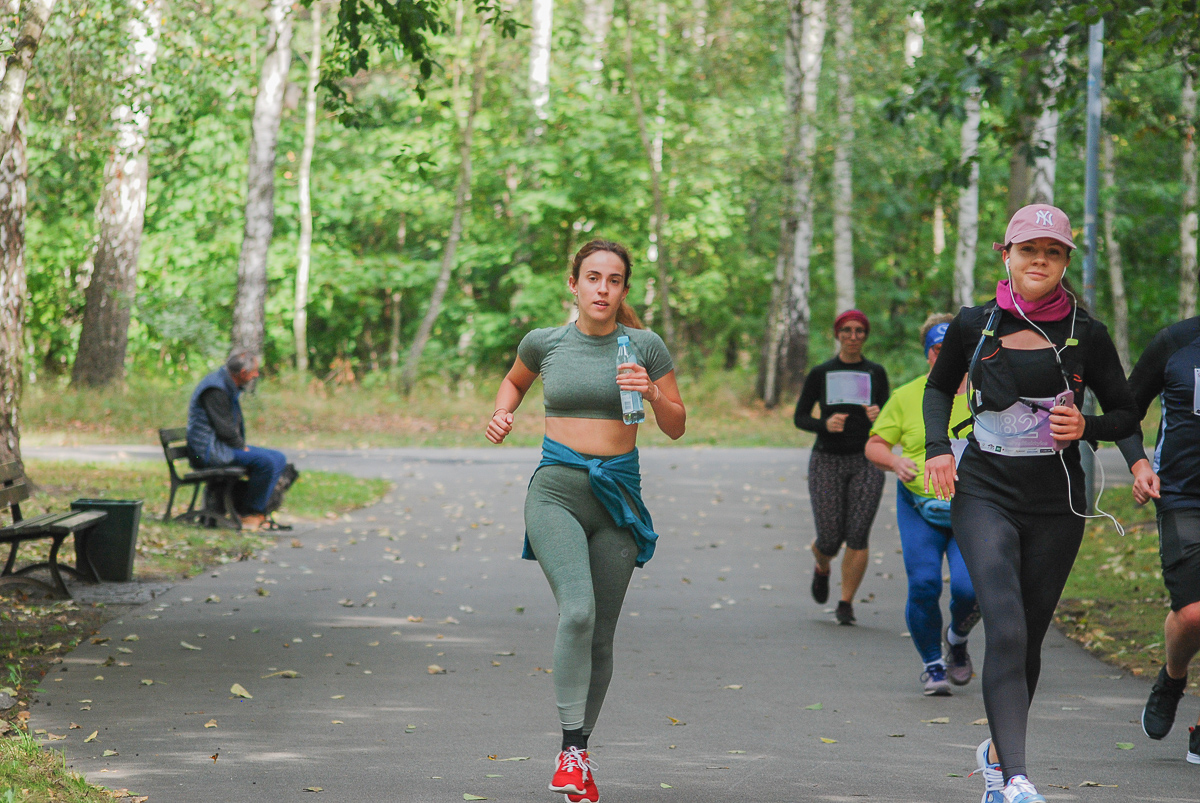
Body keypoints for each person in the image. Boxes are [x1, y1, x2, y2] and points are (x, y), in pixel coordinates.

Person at [923, 204, 1138, 803]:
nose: (1039, 260)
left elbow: (1125, 411)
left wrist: (1086, 427)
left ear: (1065, 261)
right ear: (1007, 256)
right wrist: (938, 449)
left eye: (1052, 251)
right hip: (984, 490)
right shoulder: (974, 323)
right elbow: (940, 388)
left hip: (1058, 499)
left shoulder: (1087, 334)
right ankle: (1015, 780)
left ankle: (997, 755)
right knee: (1008, 627)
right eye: (1028, 250)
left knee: (1031, 637)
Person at [485, 239, 685, 803]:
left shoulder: (645, 347)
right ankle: (570, 750)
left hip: (618, 497)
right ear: (573, 284)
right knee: (577, 611)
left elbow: (676, 424)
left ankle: (578, 752)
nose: (602, 288)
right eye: (592, 277)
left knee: (601, 635)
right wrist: (502, 413)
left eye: (614, 280)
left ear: (624, 289)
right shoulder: (544, 342)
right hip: (557, 492)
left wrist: (650, 392)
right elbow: (515, 383)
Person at [865, 314, 979, 696]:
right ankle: (933, 664)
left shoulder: (988, 392)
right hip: (920, 507)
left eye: (952, 348)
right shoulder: (908, 395)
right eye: (936, 348)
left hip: (972, 507)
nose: (943, 354)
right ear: (927, 353)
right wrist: (896, 461)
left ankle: (957, 640)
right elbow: (874, 444)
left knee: (968, 590)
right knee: (925, 583)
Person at [1115, 316, 1200, 765]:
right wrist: (1139, 465)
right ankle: (1172, 676)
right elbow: (1126, 409)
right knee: (1192, 613)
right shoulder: (1176, 341)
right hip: (1184, 495)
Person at [794, 309, 889, 625]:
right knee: (830, 538)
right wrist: (825, 423)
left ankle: (846, 603)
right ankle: (822, 564)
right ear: (837, 334)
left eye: (859, 331)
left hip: (867, 459)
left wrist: (881, 416)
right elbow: (800, 417)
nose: (852, 336)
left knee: (858, 532)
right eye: (846, 330)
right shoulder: (822, 372)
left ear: (865, 336)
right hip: (827, 460)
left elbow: (891, 418)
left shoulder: (876, 373)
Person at [187, 350, 291, 531]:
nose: (256, 375)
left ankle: (255, 512)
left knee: (279, 458)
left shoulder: (225, 384)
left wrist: (241, 446)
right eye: (254, 371)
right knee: (265, 462)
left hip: (223, 447)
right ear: (242, 374)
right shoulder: (215, 388)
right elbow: (224, 428)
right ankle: (249, 513)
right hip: (208, 452)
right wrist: (241, 447)